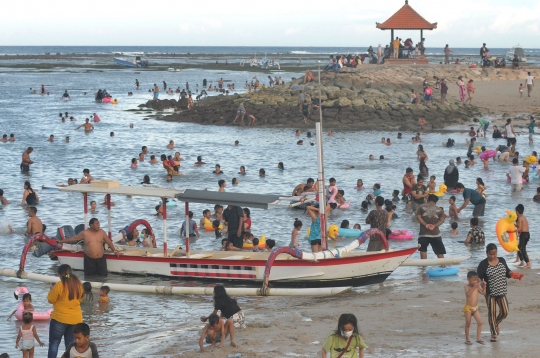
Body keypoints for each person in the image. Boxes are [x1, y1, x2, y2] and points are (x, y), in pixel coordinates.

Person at [477, 243, 523, 342]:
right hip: (490, 293)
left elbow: (507, 272)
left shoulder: (502, 260)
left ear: (496, 253)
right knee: (492, 313)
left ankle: (495, 324)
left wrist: (515, 275)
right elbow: (478, 278)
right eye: (490, 254)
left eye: (494, 254)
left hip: (502, 291)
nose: (492, 256)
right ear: (487, 253)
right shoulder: (483, 264)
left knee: (505, 312)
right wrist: (482, 282)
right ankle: (493, 333)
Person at [56, 218, 121, 276]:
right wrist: (61, 241)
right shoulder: (85, 233)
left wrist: (115, 251)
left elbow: (109, 242)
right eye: (97, 223)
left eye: (99, 223)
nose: (99, 225)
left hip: (101, 258)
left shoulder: (101, 232)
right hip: (89, 259)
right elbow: (73, 239)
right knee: (90, 277)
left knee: (103, 276)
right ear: (91, 225)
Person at [47, 264, 83, 358]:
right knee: (70, 346)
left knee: (54, 344)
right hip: (75, 320)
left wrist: (51, 290)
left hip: (59, 319)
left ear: (60, 275)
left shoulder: (59, 285)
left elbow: (51, 300)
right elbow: (80, 299)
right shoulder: (78, 284)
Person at [416, 194, 446, 259]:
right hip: (435, 234)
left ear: (428, 199)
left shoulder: (421, 207)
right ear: (435, 201)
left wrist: (425, 224)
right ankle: (443, 266)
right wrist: (434, 226)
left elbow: (418, 217)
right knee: (439, 252)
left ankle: (423, 267)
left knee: (423, 250)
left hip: (424, 233)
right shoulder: (439, 209)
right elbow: (442, 220)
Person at [463, 271, 485, 345]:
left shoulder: (476, 287)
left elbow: (483, 293)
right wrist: (475, 287)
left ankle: (478, 338)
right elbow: (468, 294)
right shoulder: (467, 287)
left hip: (475, 308)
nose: (475, 282)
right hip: (468, 308)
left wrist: (484, 286)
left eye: (476, 280)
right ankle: (467, 339)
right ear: (468, 279)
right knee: (468, 324)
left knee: (480, 322)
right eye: (473, 280)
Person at [515, 204, 531, 268]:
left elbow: (519, 229)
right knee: (519, 247)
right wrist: (514, 225)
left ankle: (528, 264)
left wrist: (511, 231)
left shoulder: (519, 218)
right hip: (527, 234)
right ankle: (522, 261)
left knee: (522, 249)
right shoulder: (524, 217)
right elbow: (520, 226)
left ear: (517, 212)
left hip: (524, 235)